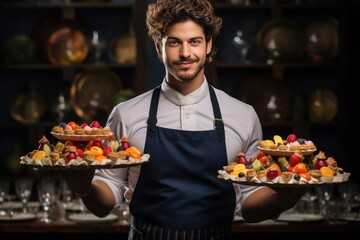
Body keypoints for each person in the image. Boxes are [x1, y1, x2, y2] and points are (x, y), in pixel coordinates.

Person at [60, 0, 307, 239]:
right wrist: (85, 189)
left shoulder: (242, 115)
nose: (185, 53)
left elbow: (250, 205)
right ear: (159, 47)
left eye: (195, 42)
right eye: (174, 43)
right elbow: (106, 201)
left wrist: (287, 197)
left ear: (208, 45)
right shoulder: (126, 114)